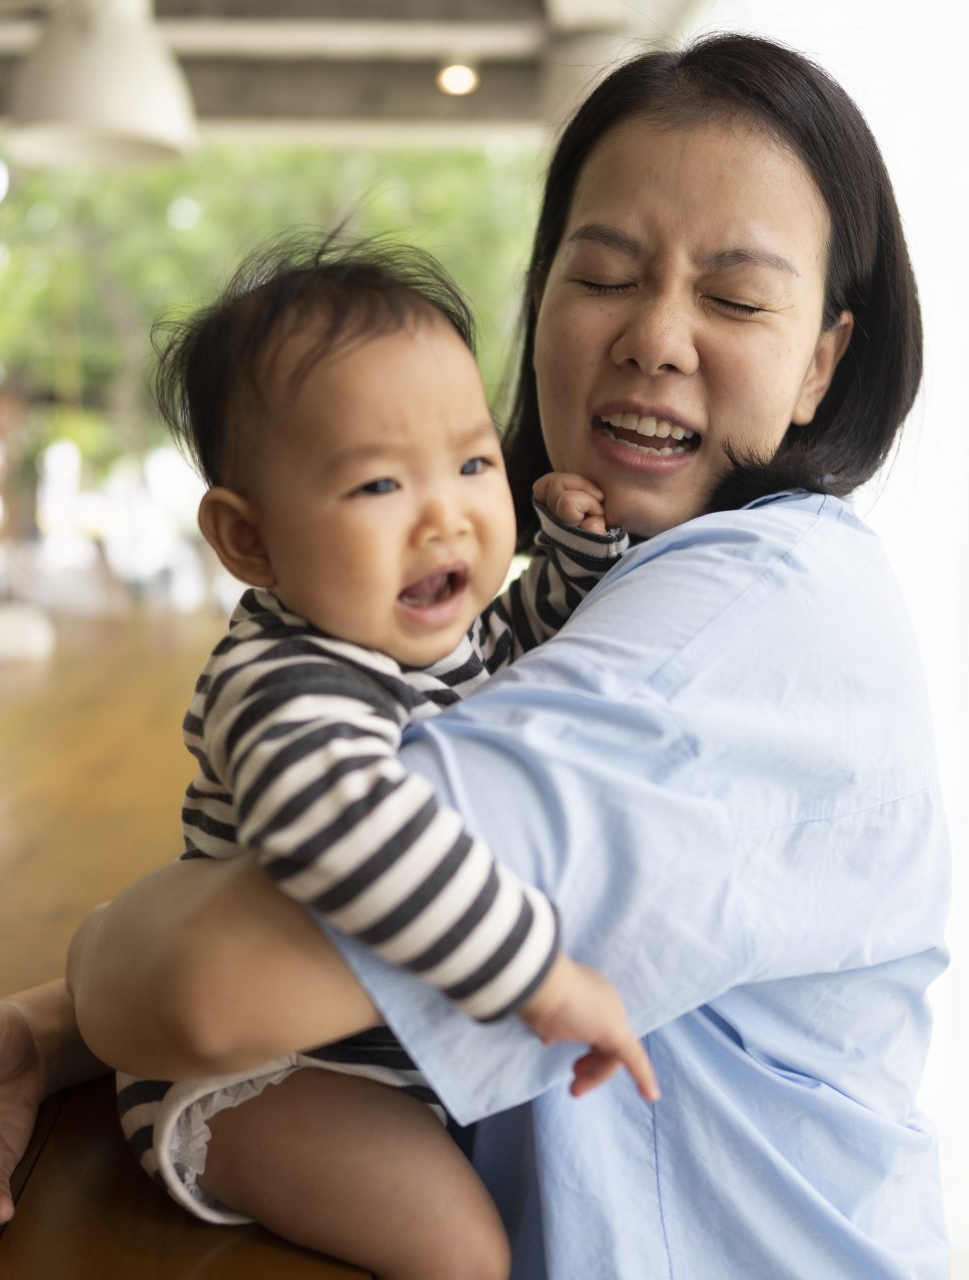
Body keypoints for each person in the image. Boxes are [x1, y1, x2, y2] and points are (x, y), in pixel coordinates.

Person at [0, 32, 946, 1278]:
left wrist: (96, 964)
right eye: (604, 277)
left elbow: (215, 981)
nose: (655, 336)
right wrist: (52, 1036)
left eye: (735, 297)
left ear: (823, 360)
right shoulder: (620, 589)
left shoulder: (745, 621)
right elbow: (299, 923)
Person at [98, 234, 656, 1276]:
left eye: (473, 461)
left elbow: (517, 648)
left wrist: (573, 560)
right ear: (248, 540)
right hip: (272, 1073)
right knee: (457, 1251)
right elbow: (349, 825)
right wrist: (538, 974)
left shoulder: (415, 623)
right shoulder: (287, 678)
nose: (445, 513)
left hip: (381, 1057)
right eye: (376, 486)